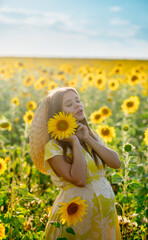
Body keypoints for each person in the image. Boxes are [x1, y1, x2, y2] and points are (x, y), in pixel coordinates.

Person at [30, 87, 121, 240]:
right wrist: (74, 142)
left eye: (78, 101)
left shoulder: (91, 135)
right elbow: (79, 179)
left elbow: (116, 163)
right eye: (69, 104)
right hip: (76, 217)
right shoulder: (53, 147)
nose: (78, 105)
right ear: (58, 113)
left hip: (105, 216)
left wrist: (87, 139)